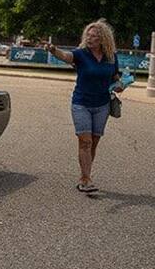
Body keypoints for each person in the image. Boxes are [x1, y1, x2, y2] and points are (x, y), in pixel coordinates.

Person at [45, 20, 124, 193]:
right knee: (85, 141)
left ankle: (85, 174)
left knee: (93, 143)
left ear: (103, 38)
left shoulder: (111, 57)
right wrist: (53, 50)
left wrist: (120, 85)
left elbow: (115, 77)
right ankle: (85, 179)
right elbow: (66, 57)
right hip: (81, 103)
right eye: (88, 34)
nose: (90, 38)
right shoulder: (81, 54)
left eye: (94, 35)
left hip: (102, 105)